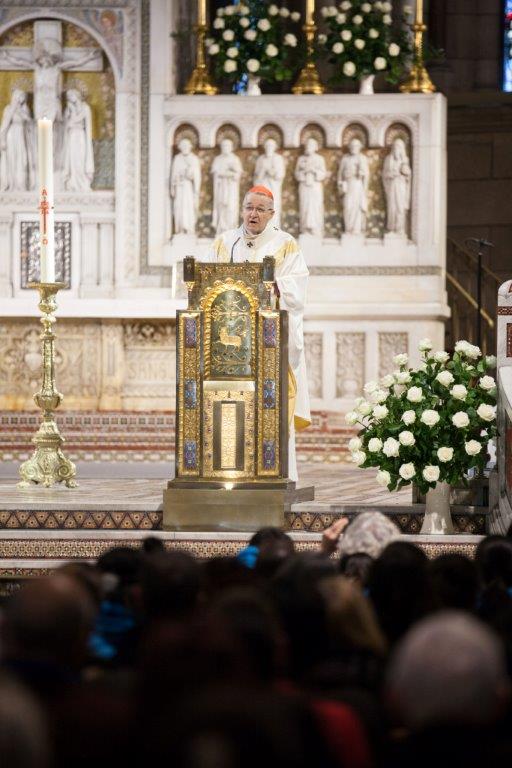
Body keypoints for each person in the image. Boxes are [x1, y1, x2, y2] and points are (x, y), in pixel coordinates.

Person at [207, 184, 311, 482]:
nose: (253, 214)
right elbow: (207, 282)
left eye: (259, 209)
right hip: (229, 345)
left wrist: (274, 286)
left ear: (271, 214)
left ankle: (273, 473)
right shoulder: (225, 244)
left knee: (270, 405)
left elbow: (298, 287)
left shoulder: (285, 244)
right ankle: (229, 470)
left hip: (269, 344)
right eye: (249, 207)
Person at [0, 89, 34, 191]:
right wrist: (3, 140)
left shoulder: (25, 109)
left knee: (22, 159)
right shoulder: (9, 109)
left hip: (22, 136)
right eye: (20, 96)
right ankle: (11, 183)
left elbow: (29, 122)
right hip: (12, 136)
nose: (22, 98)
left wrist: (20, 111)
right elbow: (4, 126)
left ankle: (21, 184)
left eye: (24, 97)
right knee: (12, 159)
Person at [61, 89, 94, 191]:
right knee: (72, 159)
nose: (70, 98)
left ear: (77, 95)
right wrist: (69, 115)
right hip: (71, 136)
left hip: (80, 136)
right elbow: (66, 125)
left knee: (80, 158)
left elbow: (83, 122)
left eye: (71, 95)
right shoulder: (68, 109)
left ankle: (82, 182)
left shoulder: (85, 108)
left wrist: (73, 113)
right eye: (68, 97)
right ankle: (72, 182)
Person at [337, 138, 369, 236]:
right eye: (352, 146)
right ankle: (348, 228)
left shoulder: (362, 158)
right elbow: (340, 173)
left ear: (359, 147)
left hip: (357, 185)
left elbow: (366, 174)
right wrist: (340, 183)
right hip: (347, 185)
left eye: (356, 146)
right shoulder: (345, 158)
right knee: (348, 206)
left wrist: (361, 174)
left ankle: (356, 229)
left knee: (357, 207)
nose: (353, 148)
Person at [170, 137, 201, 235]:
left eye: (186, 145)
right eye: (182, 146)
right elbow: (173, 174)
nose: (184, 147)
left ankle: (188, 228)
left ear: (190, 147)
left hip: (188, 187)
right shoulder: (177, 158)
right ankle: (180, 229)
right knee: (179, 206)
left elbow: (196, 175)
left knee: (188, 206)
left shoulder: (193, 159)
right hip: (179, 187)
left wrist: (190, 174)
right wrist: (173, 186)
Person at [382, 137, 411, 236]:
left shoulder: (405, 159)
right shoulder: (388, 159)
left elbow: (408, 174)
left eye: (399, 147)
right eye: (395, 147)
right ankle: (391, 228)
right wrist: (391, 174)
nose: (396, 149)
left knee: (400, 206)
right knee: (392, 207)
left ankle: (400, 229)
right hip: (391, 185)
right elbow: (384, 174)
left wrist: (404, 170)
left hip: (401, 185)